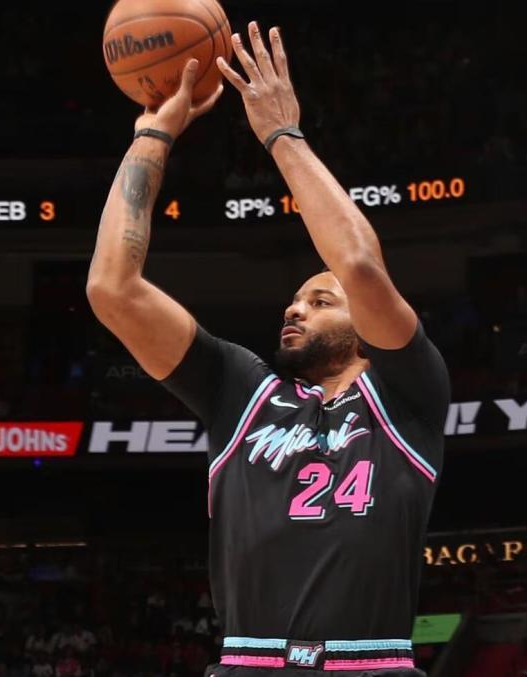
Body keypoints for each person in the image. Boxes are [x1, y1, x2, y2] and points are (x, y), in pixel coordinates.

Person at [87, 22, 448, 677]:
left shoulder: (408, 392)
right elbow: (113, 289)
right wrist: (151, 138)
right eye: (295, 300)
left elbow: (360, 265)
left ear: (367, 327)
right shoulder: (242, 391)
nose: (294, 308)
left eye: (320, 300)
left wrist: (282, 134)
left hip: (370, 667)